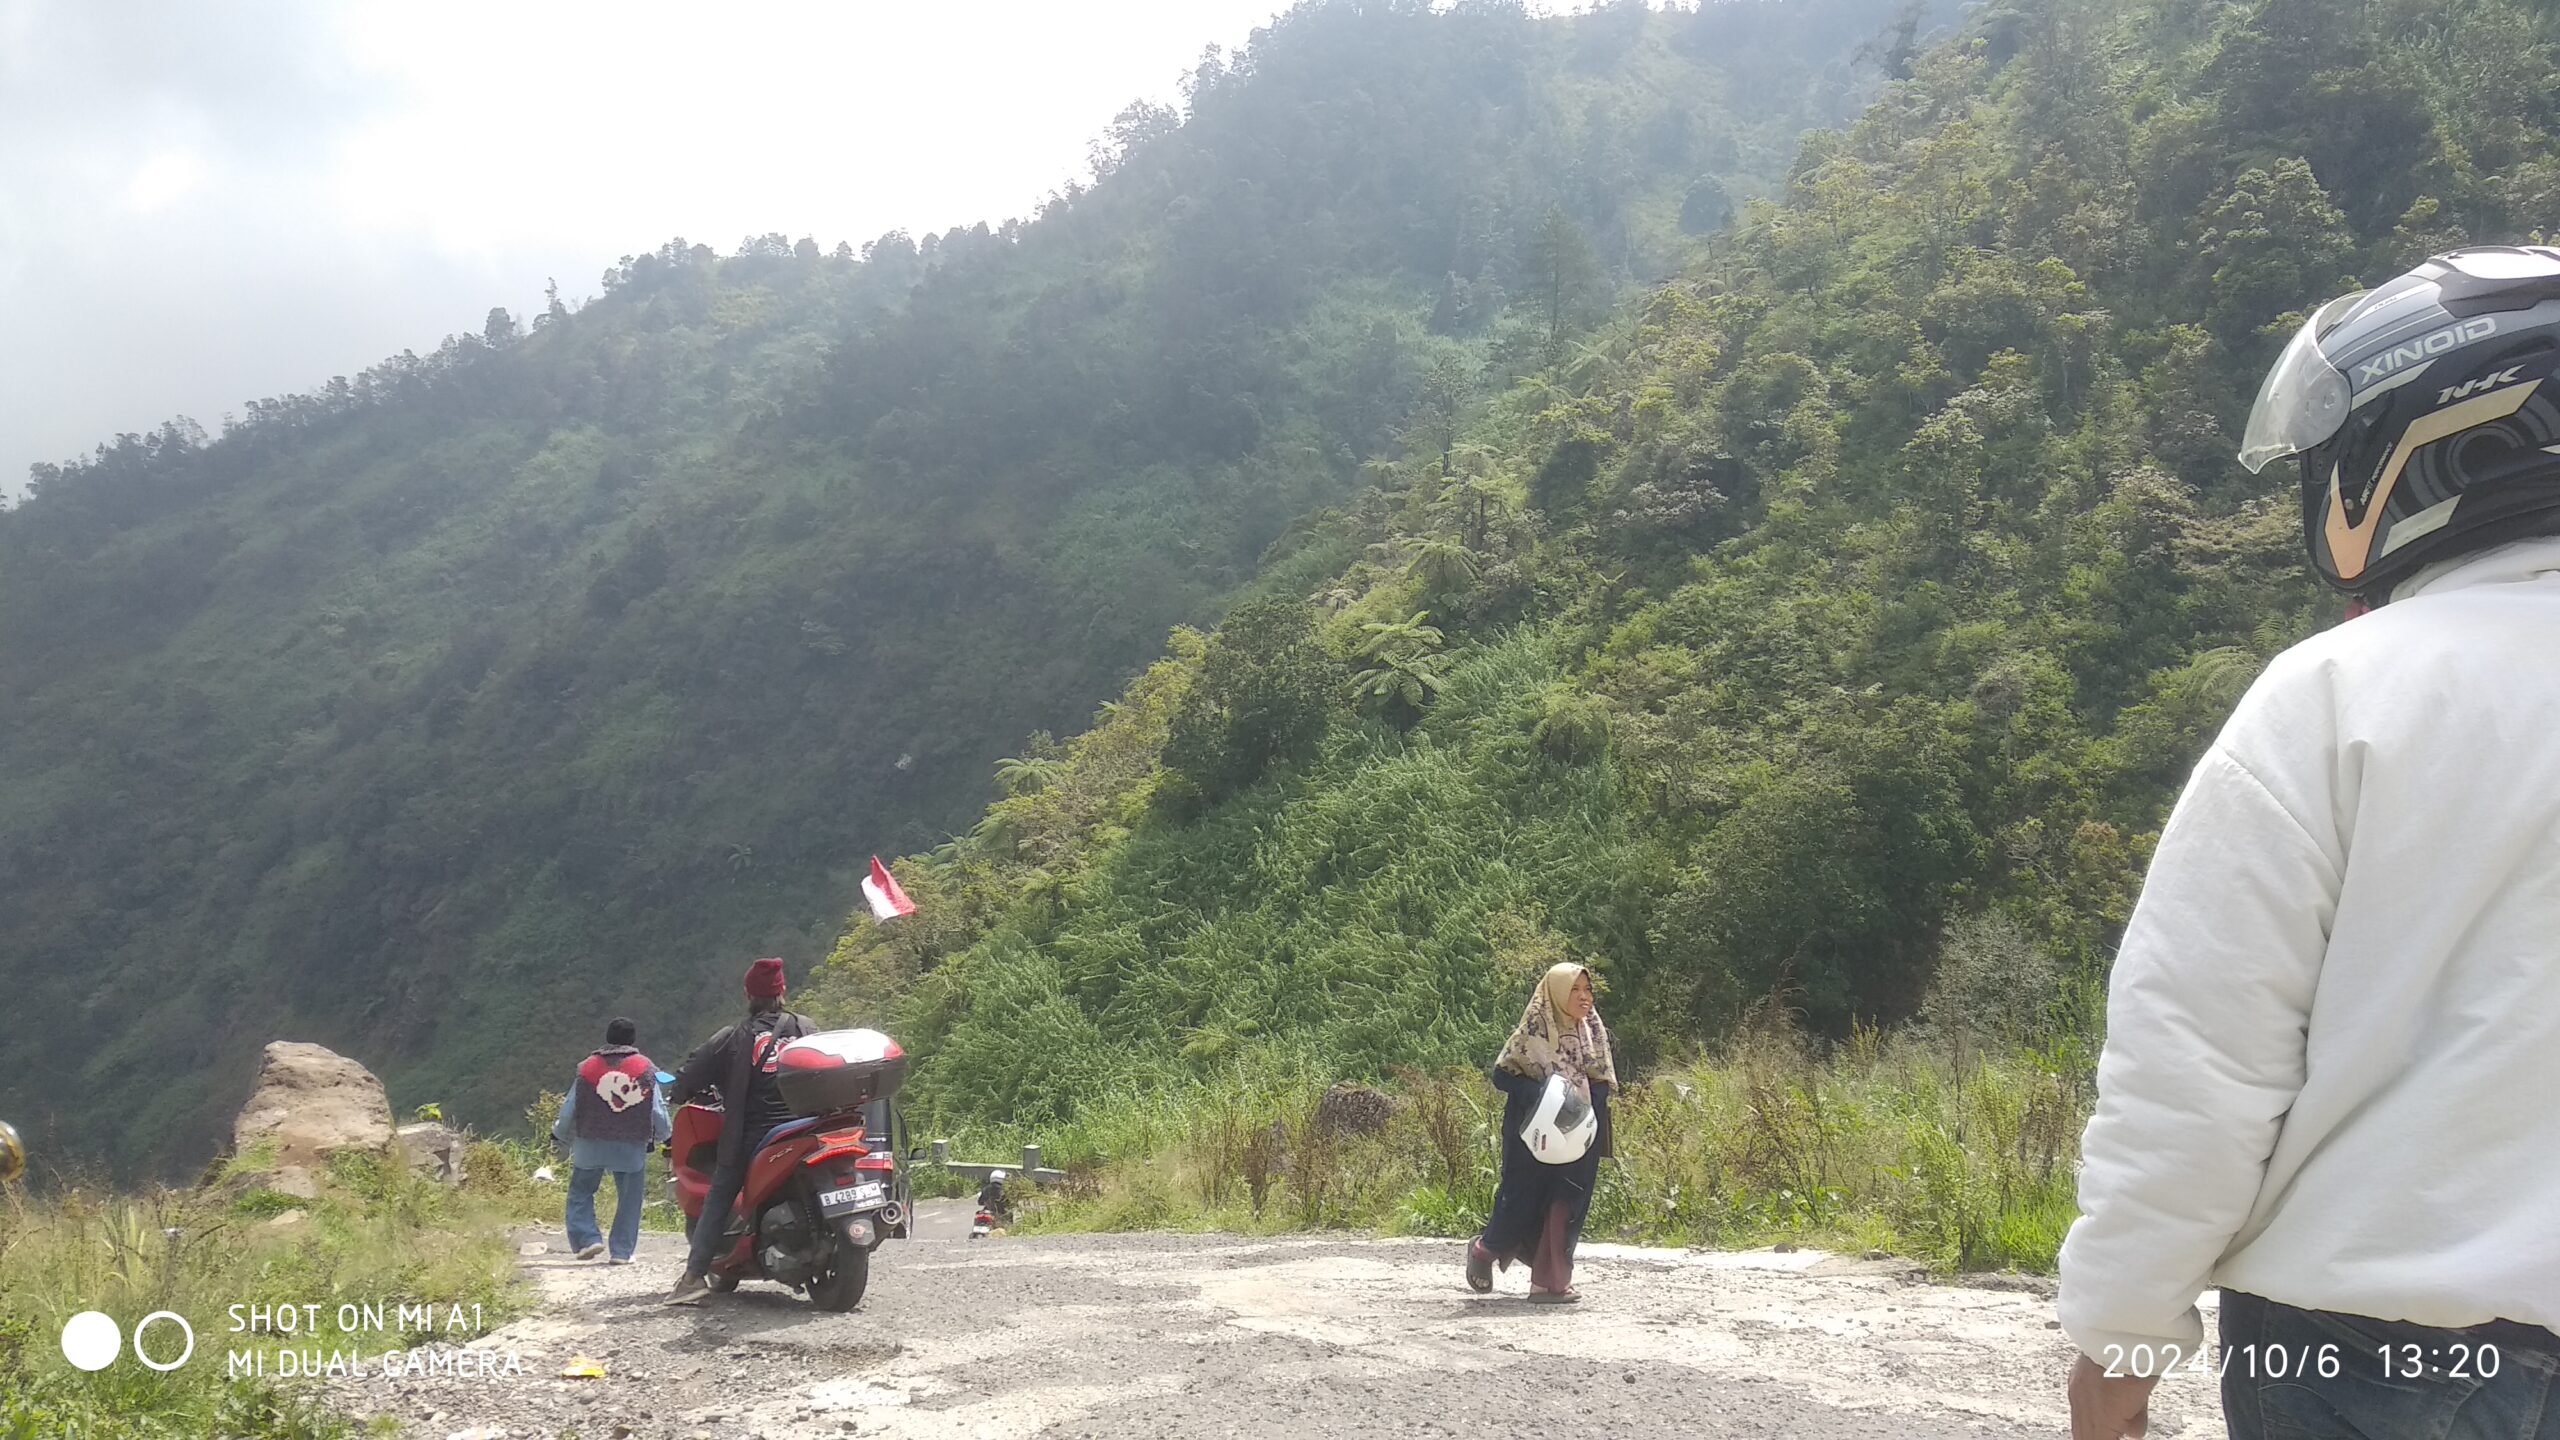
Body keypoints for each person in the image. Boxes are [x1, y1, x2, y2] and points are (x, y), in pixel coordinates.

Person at [2061, 246, 2560, 1440]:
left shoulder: (2337, 696)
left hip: (2373, 1362)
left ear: (2449, 438)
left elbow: (2197, 1065)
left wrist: (2117, 1351)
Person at [663, 957, 816, 1305]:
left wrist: (680, 1093)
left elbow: (690, 1074)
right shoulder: (807, 1029)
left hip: (754, 1136)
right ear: (783, 991)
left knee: (719, 1194)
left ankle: (693, 1276)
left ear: (749, 993)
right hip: (808, 1129)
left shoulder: (734, 1036)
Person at [1466, 961, 1613, 1304]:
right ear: (1557, 993)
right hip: (1534, 1134)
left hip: (1579, 1133)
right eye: (1575, 990)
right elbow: (1503, 1075)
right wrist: (1544, 1096)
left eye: (1588, 989)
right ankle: (1485, 1250)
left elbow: (1602, 1077)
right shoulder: (1536, 1026)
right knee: (1523, 1200)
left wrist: (1585, 1109)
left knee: (1566, 1205)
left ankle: (1550, 1284)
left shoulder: (1592, 1027)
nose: (1584, 997)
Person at [551, 1017, 671, 1264]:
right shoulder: (645, 1068)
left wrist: (559, 1134)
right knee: (630, 1199)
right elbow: (657, 1110)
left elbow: (570, 1107)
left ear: (608, 1038)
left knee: (581, 1191)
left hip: (590, 1142)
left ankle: (587, 1240)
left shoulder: (587, 1068)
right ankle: (621, 1252)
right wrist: (665, 1138)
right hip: (630, 1145)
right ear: (633, 1040)